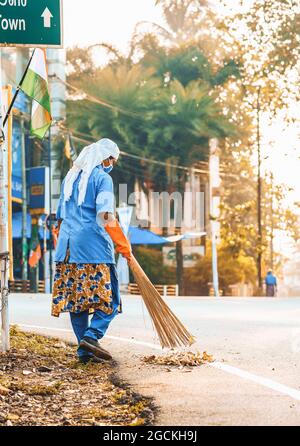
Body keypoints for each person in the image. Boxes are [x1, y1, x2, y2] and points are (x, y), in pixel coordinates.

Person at [51, 138, 132, 364]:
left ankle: (84, 353)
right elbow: (105, 215)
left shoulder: (70, 178)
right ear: (104, 159)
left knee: (78, 303)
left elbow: (58, 220)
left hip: (66, 251)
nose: (111, 165)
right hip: (94, 248)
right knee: (111, 300)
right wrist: (123, 245)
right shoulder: (102, 179)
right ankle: (92, 336)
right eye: (111, 160)